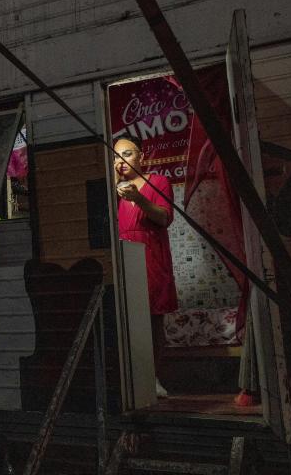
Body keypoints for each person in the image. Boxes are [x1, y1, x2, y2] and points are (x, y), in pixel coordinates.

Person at [113, 135, 177, 398]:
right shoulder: (114, 188)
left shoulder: (158, 181)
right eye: (115, 156)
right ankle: (130, 377)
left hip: (150, 254)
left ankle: (152, 378)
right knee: (124, 318)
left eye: (127, 154)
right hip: (122, 254)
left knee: (152, 318)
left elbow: (164, 217)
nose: (121, 161)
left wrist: (138, 199)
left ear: (142, 156)